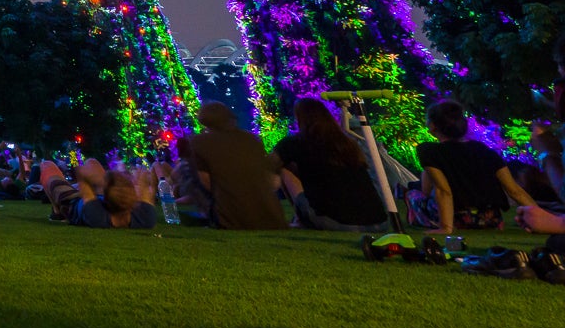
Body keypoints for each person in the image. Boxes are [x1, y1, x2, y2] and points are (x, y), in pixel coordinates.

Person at [411, 99, 536, 233]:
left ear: (433, 126)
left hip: (458, 219)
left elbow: (443, 191)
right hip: (491, 218)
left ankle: (429, 220)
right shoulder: (483, 150)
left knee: (412, 195)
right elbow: (514, 190)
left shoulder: (431, 152)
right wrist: (539, 216)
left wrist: (446, 228)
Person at [272, 96, 386, 231]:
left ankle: (300, 219)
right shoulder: (348, 144)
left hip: (339, 223)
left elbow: (267, 165)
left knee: (283, 169)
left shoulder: (296, 143)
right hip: (379, 223)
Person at [181, 102, 285, 229]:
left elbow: (206, 182)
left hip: (232, 218)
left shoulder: (199, 142)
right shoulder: (251, 139)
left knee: (186, 169)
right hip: (271, 217)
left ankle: (207, 213)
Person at [39, 158, 161, 230]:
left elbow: (81, 174)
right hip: (97, 194)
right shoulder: (146, 217)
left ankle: (57, 211)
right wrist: (141, 181)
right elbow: (146, 191)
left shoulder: (95, 214)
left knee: (46, 165)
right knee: (92, 161)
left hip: (71, 200)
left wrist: (104, 181)